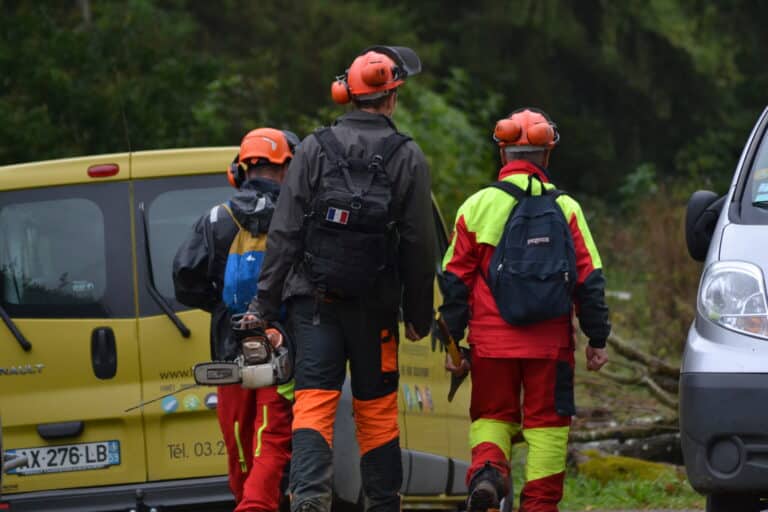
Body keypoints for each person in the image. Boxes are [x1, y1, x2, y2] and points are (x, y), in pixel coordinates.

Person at [246, 46, 435, 512]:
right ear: (392, 96)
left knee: (313, 403)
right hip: (377, 309)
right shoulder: (407, 156)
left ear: (345, 94)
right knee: (375, 411)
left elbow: (285, 234)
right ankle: (383, 504)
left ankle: (309, 500)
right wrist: (418, 314)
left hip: (314, 304)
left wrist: (264, 307)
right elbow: (418, 243)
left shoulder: (311, 149)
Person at [438, 108, 611, 512]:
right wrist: (597, 337)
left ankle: (486, 474)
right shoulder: (567, 208)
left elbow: (454, 280)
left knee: (492, 416)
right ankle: (539, 506)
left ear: (503, 154)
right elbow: (590, 278)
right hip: (550, 348)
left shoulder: (476, 207)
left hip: (491, 346)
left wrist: (454, 342)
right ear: (547, 156)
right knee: (548, 428)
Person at [172, 127, 299, 512]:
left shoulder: (215, 219)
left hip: (230, 352)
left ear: (239, 169)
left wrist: (223, 310)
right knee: (272, 440)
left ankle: (248, 502)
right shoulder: (296, 217)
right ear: (287, 167)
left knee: (240, 445)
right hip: (283, 350)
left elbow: (185, 279)